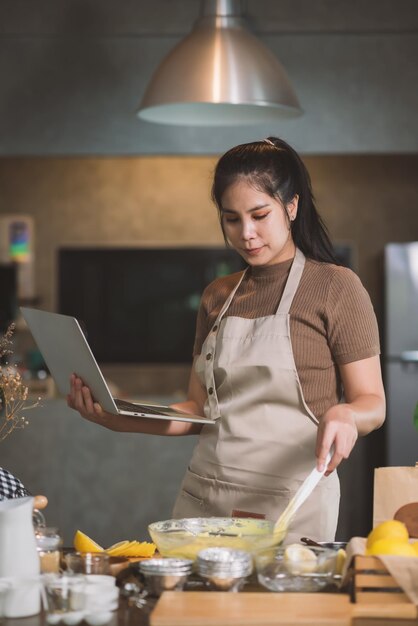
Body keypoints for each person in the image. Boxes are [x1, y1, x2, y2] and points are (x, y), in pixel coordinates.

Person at [67, 137, 385, 543]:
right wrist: (115, 418)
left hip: (290, 504)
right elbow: (196, 411)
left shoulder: (336, 287)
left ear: (291, 206)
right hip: (207, 498)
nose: (246, 234)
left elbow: (373, 404)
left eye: (259, 215)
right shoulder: (217, 295)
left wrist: (346, 414)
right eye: (232, 219)